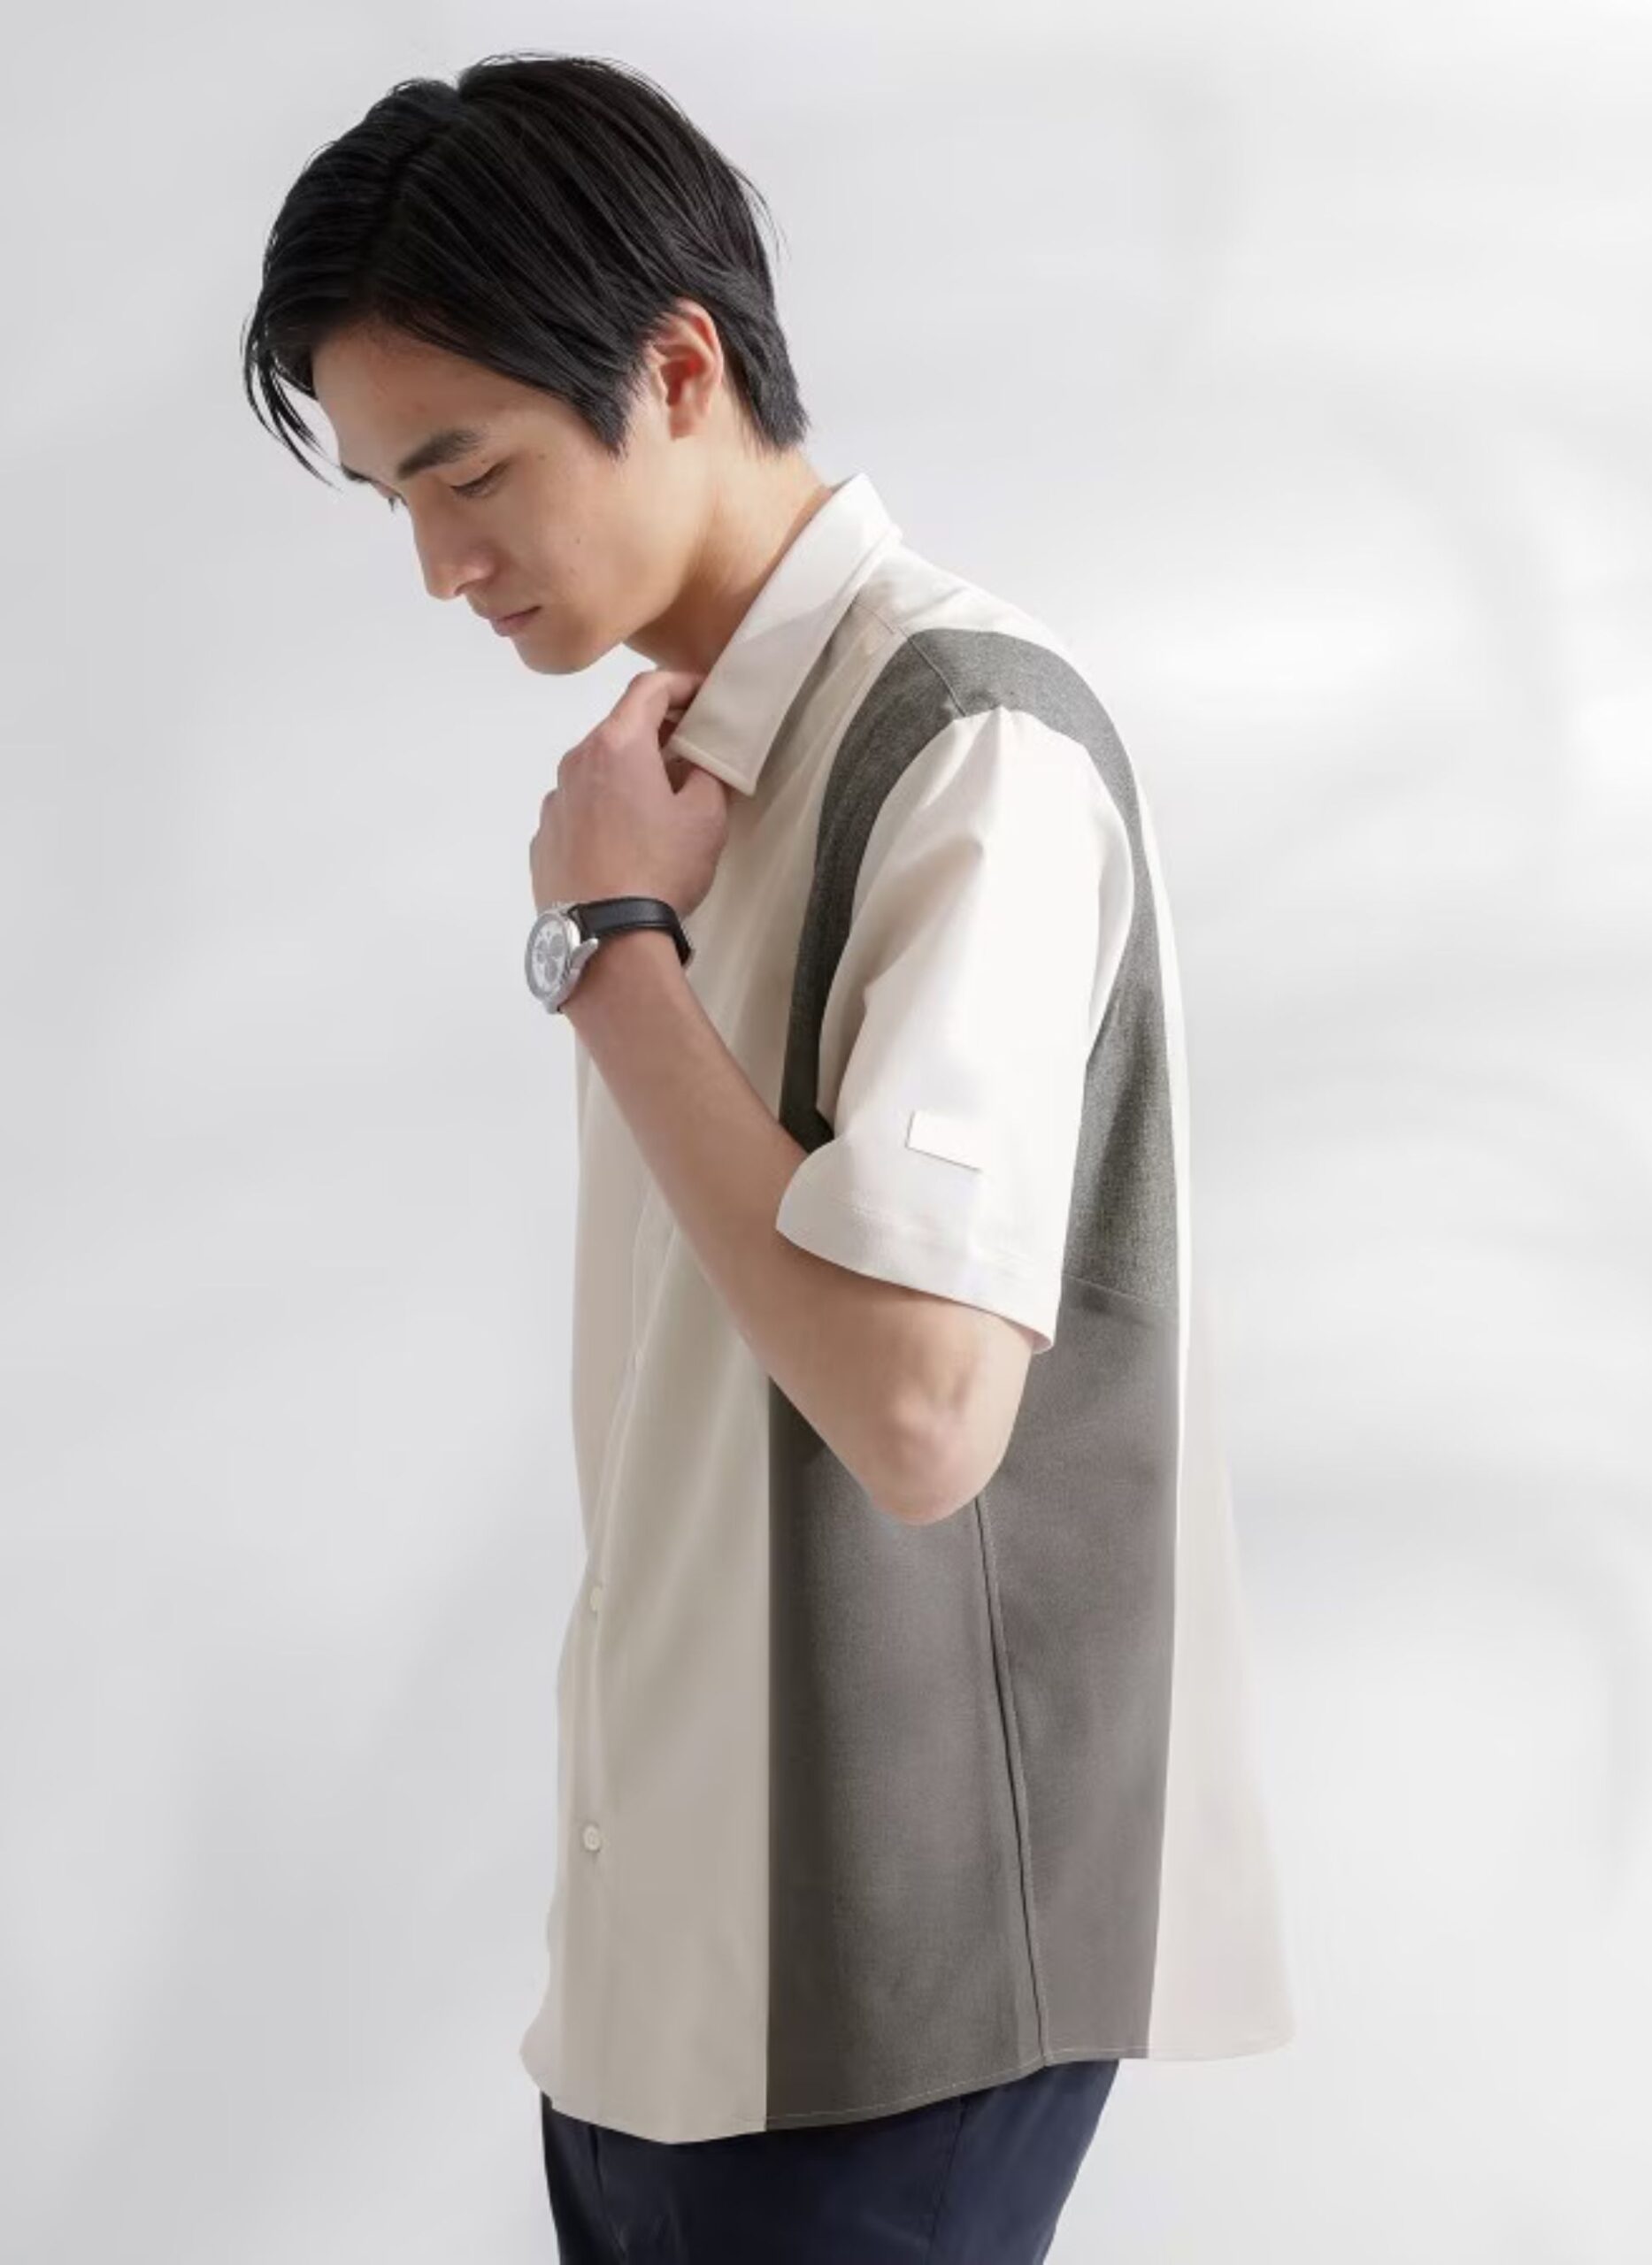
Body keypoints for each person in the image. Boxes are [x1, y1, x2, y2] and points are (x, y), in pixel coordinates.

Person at [241, 50, 1296, 2262]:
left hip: (880, 2002)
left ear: (677, 367)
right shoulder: (693, 775)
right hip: (673, 1985)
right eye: (394, 501)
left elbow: (921, 1411)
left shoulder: (964, 742)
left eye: (469, 470)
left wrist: (609, 952)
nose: (440, 565)